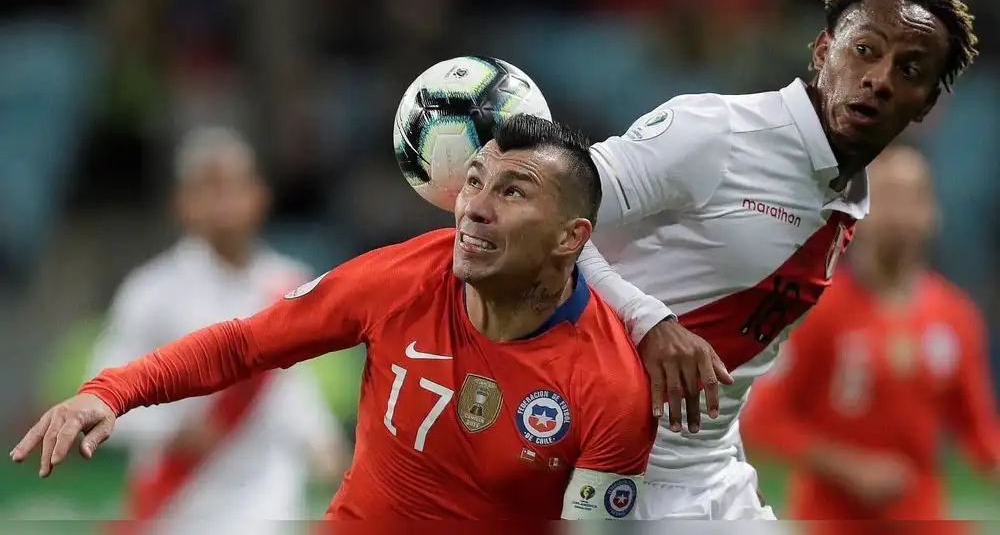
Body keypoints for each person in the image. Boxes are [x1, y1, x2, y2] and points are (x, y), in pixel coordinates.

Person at [11, 114, 657, 521]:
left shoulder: (613, 384)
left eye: (512, 192)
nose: (475, 207)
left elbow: (589, 522)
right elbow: (243, 347)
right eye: (474, 182)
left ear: (571, 237)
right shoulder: (399, 279)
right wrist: (111, 392)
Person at [576, 0, 980, 519]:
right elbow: (547, 217)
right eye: (865, 50)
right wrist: (647, 321)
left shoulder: (844, 200)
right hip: (597, 457)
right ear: (822, 51)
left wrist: (732, 473)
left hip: (706, 475)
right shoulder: (716, 132)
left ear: (927, 104)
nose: (881, 78)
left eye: (909, 69)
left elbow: (738, 363)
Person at [88, 126, 347, 532]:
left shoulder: (292, 282)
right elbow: (101, 390)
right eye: (209, 186)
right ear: (182, 202)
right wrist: (170, 431)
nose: (224, 200)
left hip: (267, 491)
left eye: (235, 185)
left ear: (260, 195)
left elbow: (290, 383)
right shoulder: (151, 291)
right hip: (181, 496)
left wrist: (322, 439)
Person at [741, 145, 1000, 534]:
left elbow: (978, 433)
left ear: (933, 214)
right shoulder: (819, 311)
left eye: (912, 199)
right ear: (859, 213)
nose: (900, 215)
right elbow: (763, 421)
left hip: (922, 518)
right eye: (888, 198)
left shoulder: (956, 316)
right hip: (833, 521)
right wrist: (849, 468)